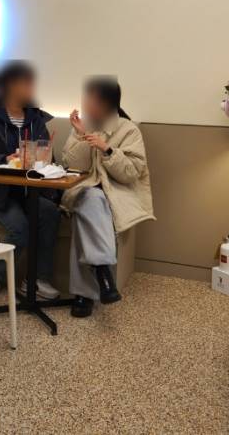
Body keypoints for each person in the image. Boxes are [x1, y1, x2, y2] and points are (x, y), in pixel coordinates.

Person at [0, 61, 61, 298]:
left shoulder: (37, 121)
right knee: (20, 227)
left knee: (49, 213)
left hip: (29, 190)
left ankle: (37, 279)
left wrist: (45, 159)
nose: (31, 89)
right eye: (25, 83)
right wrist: (4, 158)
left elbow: (48, 157)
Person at [62, 77, 154, 318]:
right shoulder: (83, 126)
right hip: (83, 190)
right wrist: (82, 136)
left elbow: (132, 172)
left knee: (86, 210)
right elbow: (71, 167)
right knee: (90, 199)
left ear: (105, 103)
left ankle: (83, 294)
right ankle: (103, 272)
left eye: (89, 99)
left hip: (117, 193)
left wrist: (107, 149)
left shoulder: (128, 130)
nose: (84, 104)